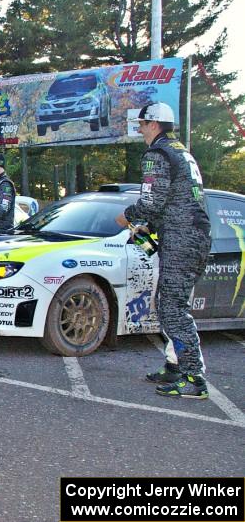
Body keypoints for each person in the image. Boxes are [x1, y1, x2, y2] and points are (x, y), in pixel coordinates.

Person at [115, 102, 212, 400]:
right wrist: (149, 225)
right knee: (167, 304)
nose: (140, 129)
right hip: (190, 235)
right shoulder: (180, 151)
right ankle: (174, 366)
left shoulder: (158, 153)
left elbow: (151, 201)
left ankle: (193, 377)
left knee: (172, 309)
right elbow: (172, 200)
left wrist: (128, 217)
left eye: (142, 124)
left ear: (154, 125)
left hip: (182, 240)